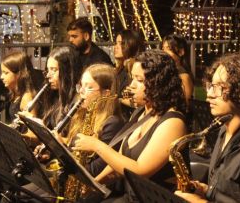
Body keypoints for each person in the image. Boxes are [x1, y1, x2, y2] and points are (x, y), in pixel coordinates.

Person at [73, 50, 188, 202]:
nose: (131, 85)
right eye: (132, 78)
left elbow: (140, 171)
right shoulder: (141, 113)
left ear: (158, 83)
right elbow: (118, 162)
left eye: (139, 80)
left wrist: (97, 146)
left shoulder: (173, 122)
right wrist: (94, 184)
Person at [175, 53, 240, 203]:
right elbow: (232, 194)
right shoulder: (224, 129)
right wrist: (206, 190)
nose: (208, 95)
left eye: (219, 87)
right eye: (210, 86)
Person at [54, 64, 124, 177]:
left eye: (89, 87)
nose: (81, 91)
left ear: (106, 93)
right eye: (81, 85)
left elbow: (95, 169)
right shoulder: (82, 114)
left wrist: (61, 149)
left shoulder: (113, 123)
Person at [41, 45, 82, 128]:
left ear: (68, 71)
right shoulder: (54, 95)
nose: (48, 75)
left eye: (54, 70)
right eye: (48, 70)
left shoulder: (77, 100)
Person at [113, 29, 146, 118]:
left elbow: (135, 100)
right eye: (116, 43)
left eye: (121, 43)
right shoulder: (119, 68)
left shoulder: (137, 67)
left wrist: (116, 99)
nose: (116, 47)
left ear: (131, 44)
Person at [0, 51, 39, 122]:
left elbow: (32, 131)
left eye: (6, 73)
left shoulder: (27, 98)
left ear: (19, 74)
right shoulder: (15, 93)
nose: (1, 77)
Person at [161, 34, 194, 106]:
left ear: (181, 52)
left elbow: (184, 104)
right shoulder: (165, 72)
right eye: (163, 49)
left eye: (169, 49)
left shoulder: (183, 76)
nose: (164, 53)